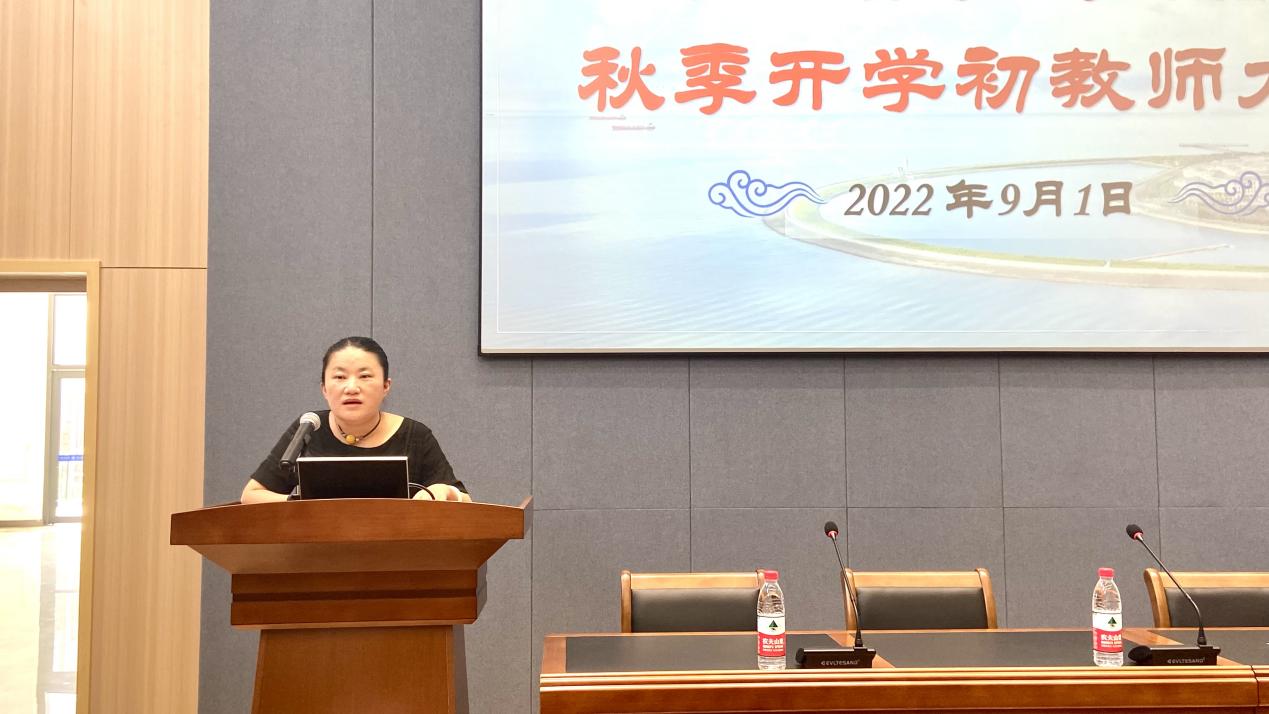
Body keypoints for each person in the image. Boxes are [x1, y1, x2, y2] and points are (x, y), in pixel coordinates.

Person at [240, 336, 470, 504]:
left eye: (365, 376)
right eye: (340, 377)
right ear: (324, 388)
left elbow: (465, 500)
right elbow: (251, 495)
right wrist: (302, 504)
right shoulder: (309, 428)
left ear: (386, 386)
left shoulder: (414, 435)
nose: (351, 387)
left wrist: (444, 491)